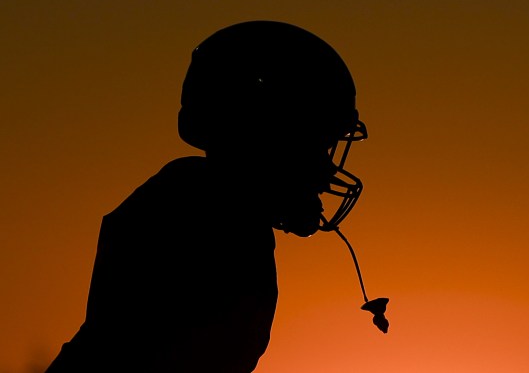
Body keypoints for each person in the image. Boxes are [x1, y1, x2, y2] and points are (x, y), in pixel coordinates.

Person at [46, 20, 368, 372]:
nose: (325, 172)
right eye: (317, 145)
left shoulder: (219, 213)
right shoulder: (200, 222)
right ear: (266, 130)